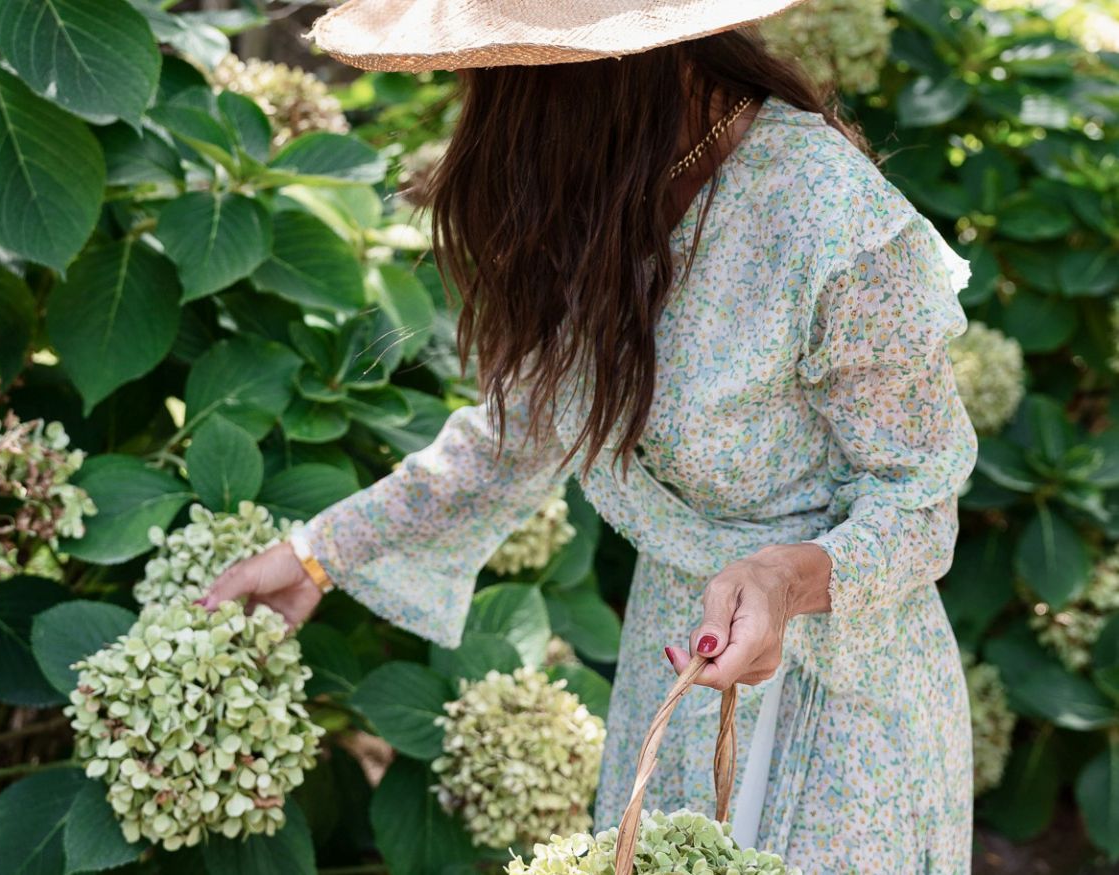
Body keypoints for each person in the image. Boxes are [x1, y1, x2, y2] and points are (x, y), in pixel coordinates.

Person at [199, 1, 980, 871]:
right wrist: (316, 554)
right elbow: (522, 428)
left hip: (842, 708)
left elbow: (920, 503)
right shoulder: (615, 184)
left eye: (512, 60)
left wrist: (782, 579)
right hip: (675, 668)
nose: (486, 95)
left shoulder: (830, 217)